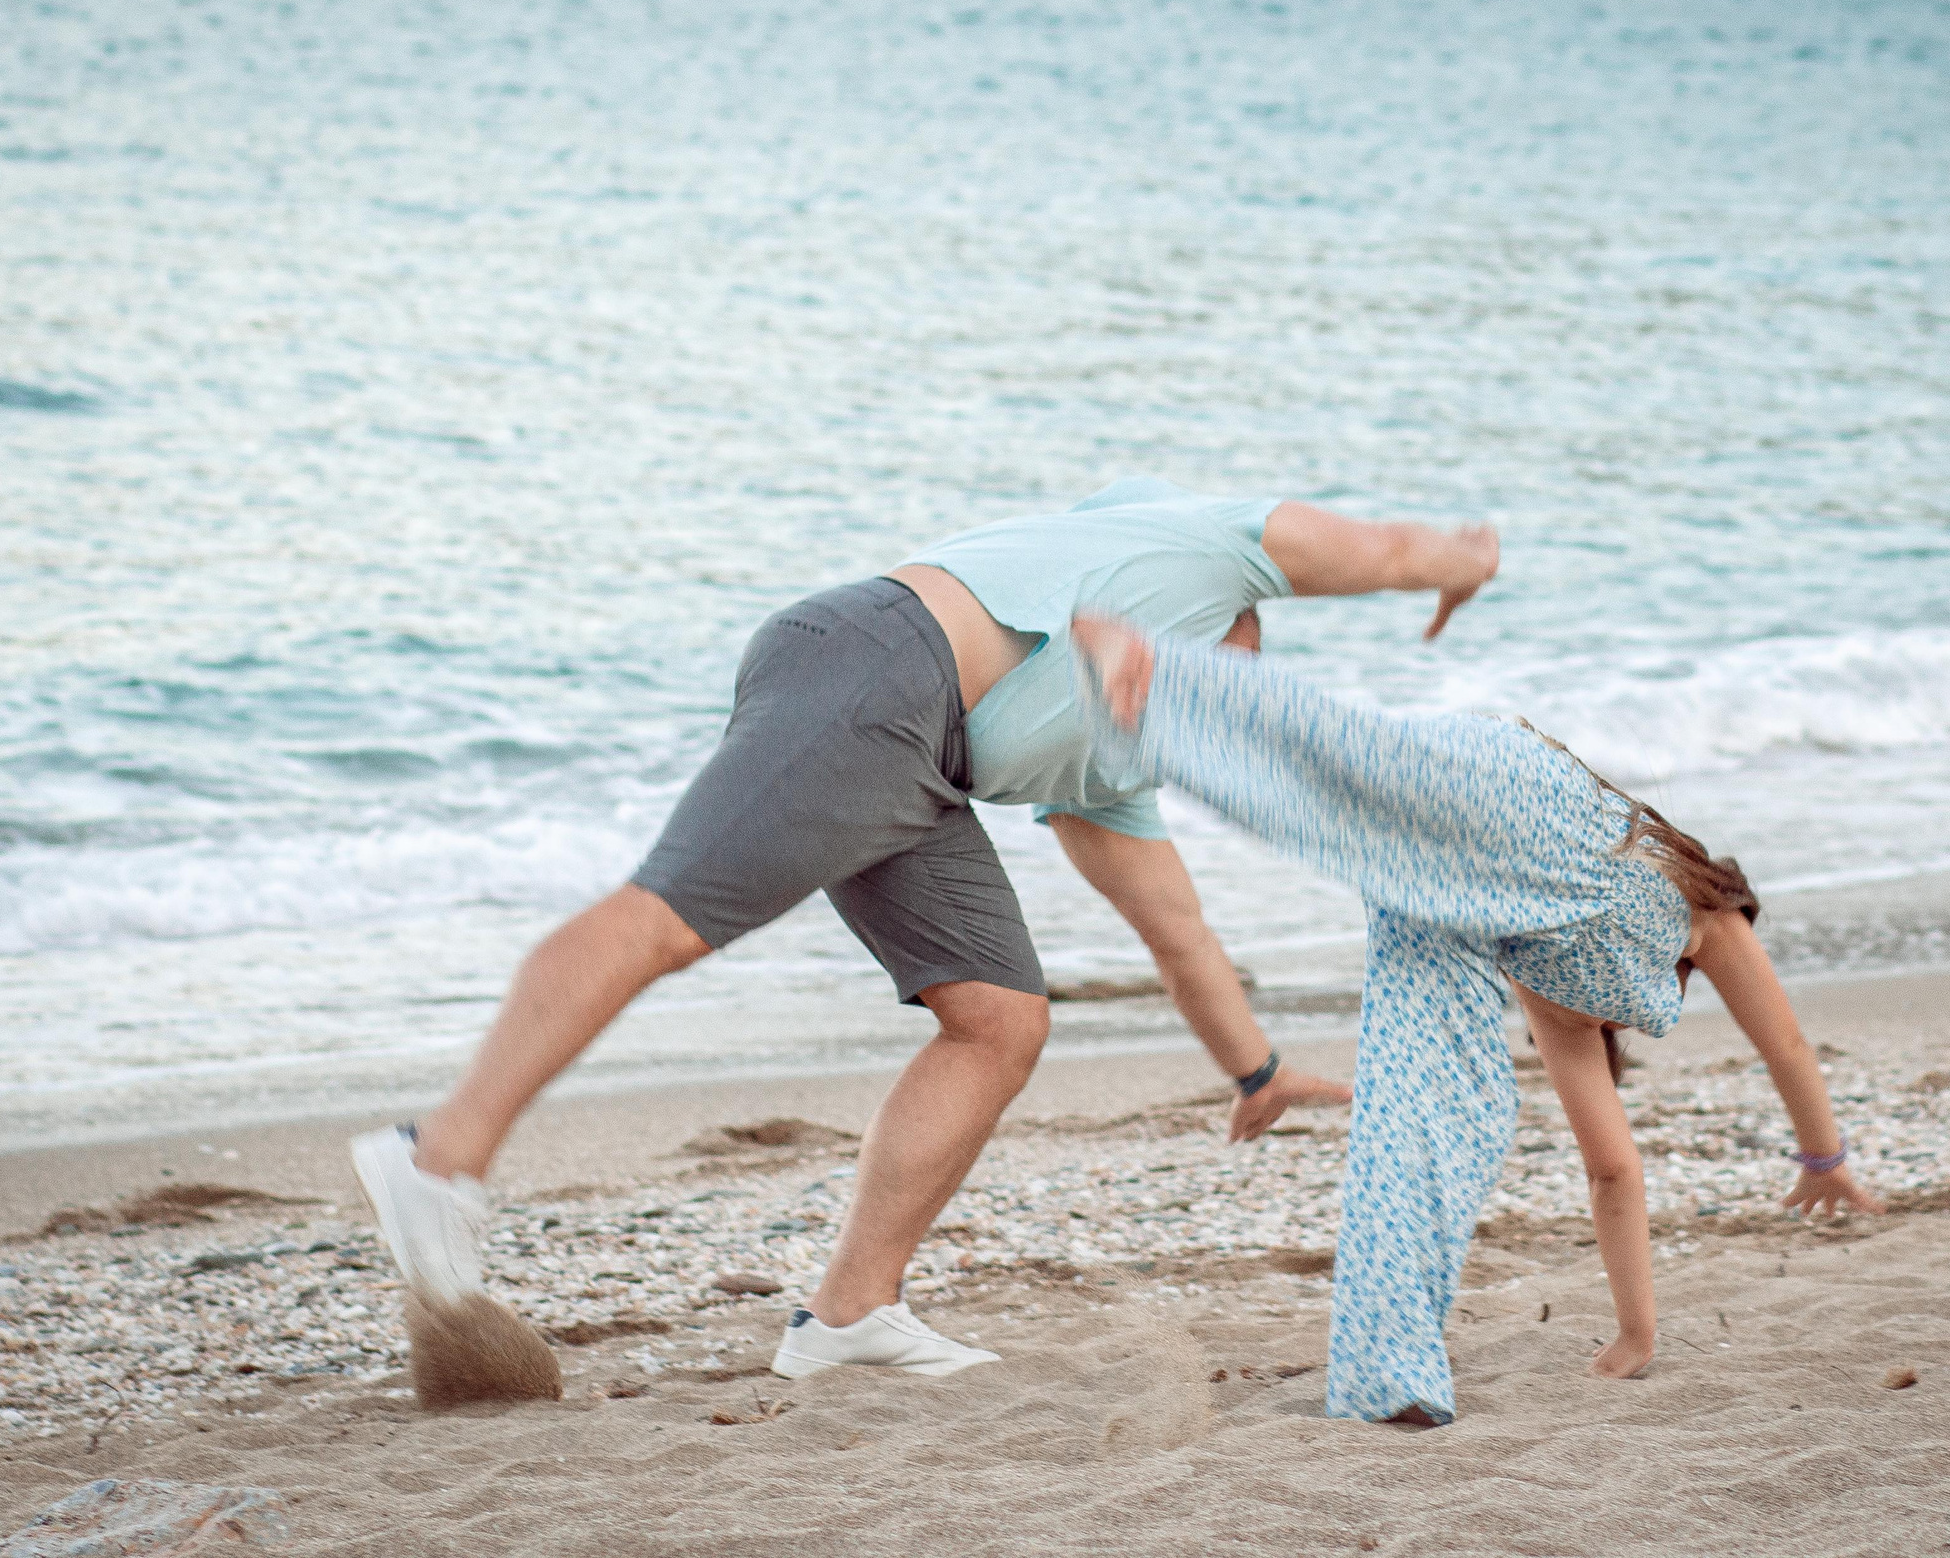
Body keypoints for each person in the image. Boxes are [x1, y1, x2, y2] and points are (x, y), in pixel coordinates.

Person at [350, 479, 1501, 1381]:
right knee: (670, 918)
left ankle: (848, 1314)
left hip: (922, 765)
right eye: (1224, 674)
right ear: (1230, 625)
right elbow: (1393, 552)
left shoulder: (1121, 757)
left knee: (998, 1020)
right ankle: (437, 1157)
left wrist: (1255, 1070)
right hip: (877, 664)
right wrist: (1467, 560)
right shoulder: (1207, 551)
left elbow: (1178, 933)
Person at [1069, 615, 1882, 1426]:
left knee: (1427, 1102)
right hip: (1516, 794)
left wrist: (1639, 1331)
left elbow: (1614, 1172)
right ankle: (1155, 664)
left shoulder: (1558, 1006)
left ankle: (1390, 1376)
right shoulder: (1700, 910)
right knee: (1351, 764)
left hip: (1463, 902)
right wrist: (1825, 1153)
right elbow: (1785, 1044)